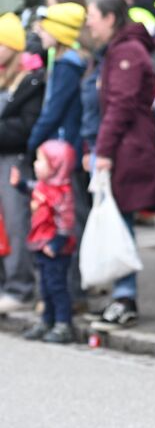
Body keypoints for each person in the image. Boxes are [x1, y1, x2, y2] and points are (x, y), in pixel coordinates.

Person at [85, 0, 155, 331]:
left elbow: (119, 107)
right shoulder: (119, 50)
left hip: (126, 151)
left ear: (110, 18)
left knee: (119, 224)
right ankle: (121, 296)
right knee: (116, 222)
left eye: (93, 15)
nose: (89, 22)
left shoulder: (126, 52)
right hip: (121, 149)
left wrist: (102, 152)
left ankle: (125, 299)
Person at [10, 140, 76, 344]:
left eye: (41, 161)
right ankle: (47, 320)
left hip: (54, 248)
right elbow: (31, 189)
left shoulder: (62, 194)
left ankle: (63, 324)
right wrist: (19, 184)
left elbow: (66, 224)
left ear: (56, 165)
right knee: (45, 287)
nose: (36, 165)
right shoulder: (42, 186)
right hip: (40, 244)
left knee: (57, 286)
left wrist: (55, 245)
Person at [0, 14, 44, 315]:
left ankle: (20, 286)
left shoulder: (30, 81)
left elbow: (26, 127)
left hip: (14, 159)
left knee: (16, 223)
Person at [27, 2, 86, 156]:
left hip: (63, 145)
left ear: (59, 33)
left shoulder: (67, 66)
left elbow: (53, 110)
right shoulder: (70, 62)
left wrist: (33, 142)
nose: (41, 34)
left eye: (45, 30)